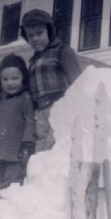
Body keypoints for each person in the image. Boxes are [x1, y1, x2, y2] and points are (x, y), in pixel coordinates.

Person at [20, 9, 84, 152]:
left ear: (49, 30)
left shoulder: (63, 51)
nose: (35, 38)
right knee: (42, 151)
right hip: (40, 112)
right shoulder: (33, 60)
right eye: (30, 35)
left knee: (59, 147)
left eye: (39, 33)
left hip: (60, 108)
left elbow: (78, 83)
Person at [0, 53, 36, 194]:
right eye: (5, 79)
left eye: (15, 78)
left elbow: (30, 121)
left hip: (16, 153)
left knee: (12, 185)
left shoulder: (25, 98)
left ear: (23, 78)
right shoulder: (3, 101)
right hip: (1, 153)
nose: (10, 83)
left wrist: (27, 143)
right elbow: (0, 125)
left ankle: (10, 209)